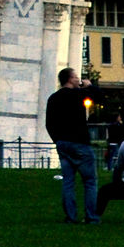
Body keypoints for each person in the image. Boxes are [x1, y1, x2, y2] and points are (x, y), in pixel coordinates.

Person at [45, 67, 99, 225]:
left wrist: (57, 140)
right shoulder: (79, 94)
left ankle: (71, 216)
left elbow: (49, 123)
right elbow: (99, 96)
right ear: (69, 79)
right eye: (76, 77)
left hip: (63, 143)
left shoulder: (53, 98)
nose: (78, 80)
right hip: (80, 142)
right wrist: (89, 86)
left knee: (68, 182)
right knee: (89, 181)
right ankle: (91, 217)